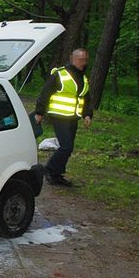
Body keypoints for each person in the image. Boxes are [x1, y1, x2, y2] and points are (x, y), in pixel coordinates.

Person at [34, 48, 93, 187]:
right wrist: (39, 113)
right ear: (73, 58)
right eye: (80, 59)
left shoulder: (83, 78)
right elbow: (45, 93)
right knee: (66, 147)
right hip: (59, 116)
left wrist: (87, 114)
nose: (83, 62)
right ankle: (49, 169)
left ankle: (57, 174)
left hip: (73, 117)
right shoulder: (60, 75)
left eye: (85, 60)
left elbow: (86, 98)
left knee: (68, 147)